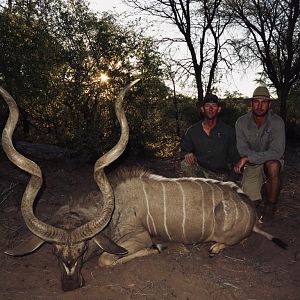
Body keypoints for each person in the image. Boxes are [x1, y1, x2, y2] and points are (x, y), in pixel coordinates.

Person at [234, 86, 285, 222]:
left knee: (273, 166)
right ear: (251, 103)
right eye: (256, 101)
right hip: (251, 165)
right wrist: (250, 158)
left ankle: (271, 205)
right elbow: (242, 150)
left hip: (267, 161)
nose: (260, 105)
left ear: (269, 104)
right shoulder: (241, 122)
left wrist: (251, 157)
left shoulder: (277, 122)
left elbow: (277, 151)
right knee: (250, 205)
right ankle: (263, 190)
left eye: (264, 102)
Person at [180, 93, 240, 181]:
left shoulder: (228, 131)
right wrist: (187, 154)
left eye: (214, 106)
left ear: (218, 109)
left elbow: (236, 159)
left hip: (222, 177)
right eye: (207, 105)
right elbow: (183, 151)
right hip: (201, 175)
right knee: (186, 163)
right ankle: (198, 191)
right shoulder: (192, 131)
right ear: (202, 109)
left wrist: (231, 182)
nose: (211, 109)